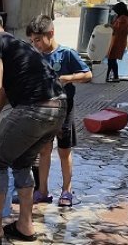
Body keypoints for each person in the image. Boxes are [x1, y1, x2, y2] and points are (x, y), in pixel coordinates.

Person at [0, 7, 67, 244]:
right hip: (58, 108)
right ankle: (25, 227)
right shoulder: (16, 46)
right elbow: (0, 98)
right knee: (22, 162)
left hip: (34, 108)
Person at [27, 15, 92, 208]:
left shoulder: (66, 54)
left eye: (38, 40)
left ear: (51, 33)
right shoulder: (35, 55)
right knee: (44, 150)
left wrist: (68, 78)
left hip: (64, 108)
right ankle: (43, 191)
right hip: (43, 109)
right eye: (32, 41)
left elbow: (87, 74)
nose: (35, 44)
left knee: (64, 150)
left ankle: (67, 190)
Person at [107, 2, 128, 82]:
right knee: (111, 59)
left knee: (112, 59)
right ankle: (110, 76)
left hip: (118, 42)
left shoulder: (123, 19)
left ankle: (114, 76)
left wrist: (110, 26)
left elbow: (117, 29)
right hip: (116, 41)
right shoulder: (121, 17)